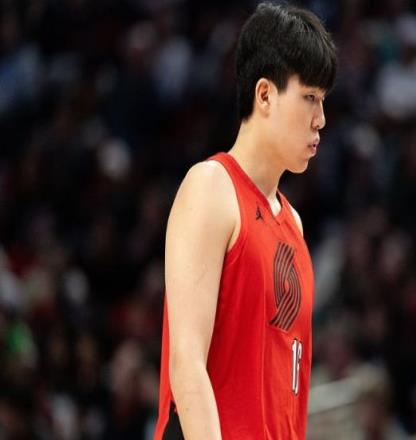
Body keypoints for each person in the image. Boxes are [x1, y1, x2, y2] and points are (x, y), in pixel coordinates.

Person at [153, 2, 337, 439]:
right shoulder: (211, 187)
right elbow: (187, 365)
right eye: (310, 97)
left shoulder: (293, 224)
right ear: (265, 95)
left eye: (323, 101)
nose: (321, 119)